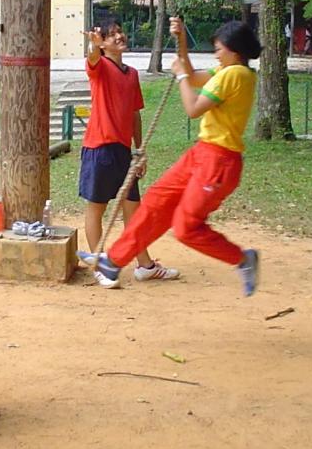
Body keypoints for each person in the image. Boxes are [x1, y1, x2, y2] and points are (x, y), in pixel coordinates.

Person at [83, 16, 262, 296]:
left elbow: (192, 107)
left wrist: (179, 76)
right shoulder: (226, 71)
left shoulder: (235, 75)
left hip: (220, 160)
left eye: (219, 48)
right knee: (155, 201)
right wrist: (180, 40)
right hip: (202, 153)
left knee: (186, 227)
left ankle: (242, 259)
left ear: (235, 49)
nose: (216, 53)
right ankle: (113, 261)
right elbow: (192, 74)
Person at [78, 20, 178, 281]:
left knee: (134, 209)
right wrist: (94, 46)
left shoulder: (131, 73)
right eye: (112, 35)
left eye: (120, 31)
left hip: (123, 151)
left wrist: (139, 150)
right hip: (99, 148)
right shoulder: (99, 67)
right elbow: (92, 58)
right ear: (103, 41)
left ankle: (145, 266)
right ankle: (99, 266)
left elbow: (135, 114)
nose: (120, 36)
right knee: (96, 208)